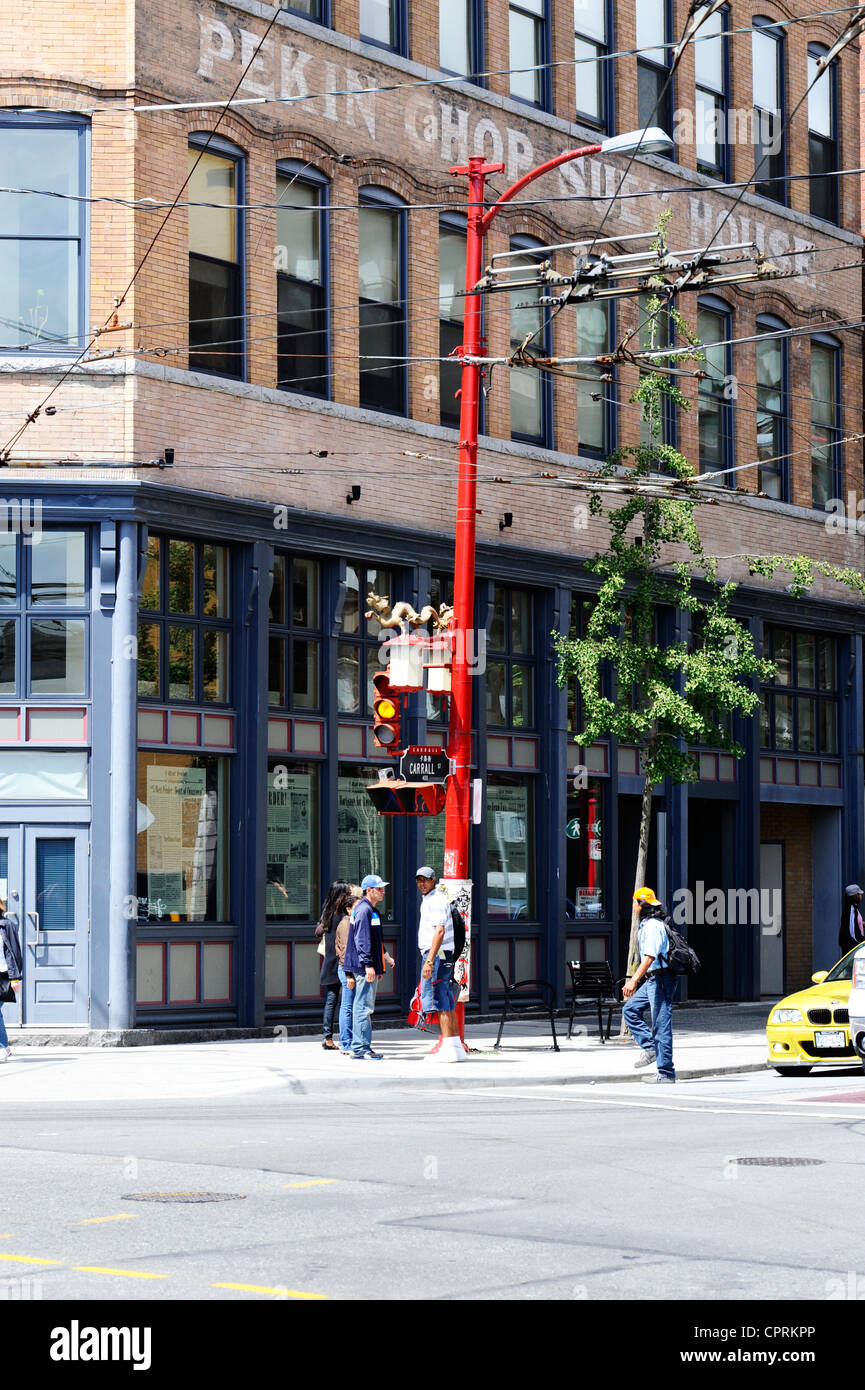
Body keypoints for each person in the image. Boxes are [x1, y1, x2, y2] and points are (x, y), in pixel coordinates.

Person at [622, 887, 676, 1084]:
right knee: (630, 1009)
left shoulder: (653, 926)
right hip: (653, 979)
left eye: (635, 902)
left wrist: (634, 980)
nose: (633, 906)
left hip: (661, 979)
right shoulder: (647, 924)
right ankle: (651, 1048)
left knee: (661, 1025)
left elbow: (649, 957)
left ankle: (666, 1072)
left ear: (640, 905)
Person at [416, 866, 464, 1063]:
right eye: (419, 880)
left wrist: (429, 960)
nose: (422, 883)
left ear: (434, 880)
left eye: (425, 880)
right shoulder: (434, 898)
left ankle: (447, 1047)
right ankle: (454, 1047)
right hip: (443, 956)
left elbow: (439, 932)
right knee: (447, 1002)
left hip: (437, 955)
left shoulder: (434, 901)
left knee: (439, 1002)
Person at [343, 875, 395, 1060]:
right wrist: (369, 966)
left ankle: (361, 1047)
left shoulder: (370, 910)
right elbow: (362, 940)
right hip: (363, 966)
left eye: (382, 888)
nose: (382, 891)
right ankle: (360, 1049)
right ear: (368, 890)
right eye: (378, 888)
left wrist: (381, 963)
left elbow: (376, 941)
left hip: (368, 965)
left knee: (362, 1006)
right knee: (363, 1007)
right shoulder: (364, 910)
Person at [316, 880, 353, 1050]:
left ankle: (327, 1037)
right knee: (346, 1001)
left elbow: (318, 931)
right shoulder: (343, 912)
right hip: (341, 959)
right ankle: (347, 1037)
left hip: (330, 957)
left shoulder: (327, 909)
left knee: (331, 999)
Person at [335, 884, 362, 1055]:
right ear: (348, 908)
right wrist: (348, 975)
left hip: (349, 969)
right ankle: (346, 1042)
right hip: (347, 970)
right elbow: (344, 952)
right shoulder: (345, 925)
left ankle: (350, 1041)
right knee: (347, 1006)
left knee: (351, 1005)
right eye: (357, 907)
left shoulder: (351, 923)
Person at [0, 898, 23, 1063]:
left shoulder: (7, 925)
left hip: (2, 974)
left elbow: (14, 952)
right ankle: (5, 1048)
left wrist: (15, 977)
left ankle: (3, 1047)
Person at [839, 884, 865, 958]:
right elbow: (852, 931)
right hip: (852, 947)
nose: (861, 896)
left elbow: (854, 923)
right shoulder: (851, 909)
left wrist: (862, 923)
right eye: (859, 894)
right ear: (855, 895)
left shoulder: (854, 907)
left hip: (853, 946)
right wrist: (862, 942)